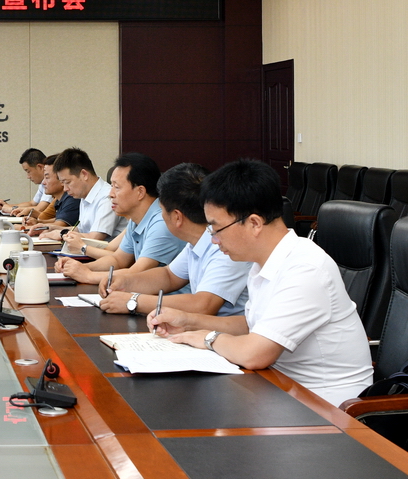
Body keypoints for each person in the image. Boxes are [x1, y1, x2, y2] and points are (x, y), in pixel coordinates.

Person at [148, 159, 373, 407]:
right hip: (277, 388)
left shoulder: (306, 268)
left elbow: (254, 353)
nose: (214, 240)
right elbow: (252, 326)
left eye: (216, 229)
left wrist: (207, 338)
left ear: (254, 223)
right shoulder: (263, 262)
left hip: (325, 407)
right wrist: (187, 322)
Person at [99, 163, 250, 316]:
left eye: (162, 210)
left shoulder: (225, 246)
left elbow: (203, 305)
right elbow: (169, 276)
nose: (160, 215)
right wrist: (125, 282)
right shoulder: (197, 241)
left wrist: (134, 301)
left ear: (177, 217)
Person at [56, 153, 185, 284]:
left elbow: (137, 273)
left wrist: (88, 275)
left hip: (170, 296)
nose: (111, 194)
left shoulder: (161, 222)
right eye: (111, 186)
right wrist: (78, 267)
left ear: (140, 192)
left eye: (116, 187)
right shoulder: (136, 220)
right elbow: (118, 260)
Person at [40, 147, 125, 242]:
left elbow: (95, 237)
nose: (65, 189)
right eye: (63, 183)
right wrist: (51, 228)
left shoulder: (107, 197)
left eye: (67, 182)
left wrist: (62, 233)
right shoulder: (85, 195)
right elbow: (82, 230)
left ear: (84, 174)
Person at [24, 154, 80, 233]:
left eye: (47, 177)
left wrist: (22, 228)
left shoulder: (72, 198)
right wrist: (38, 223)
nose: (43, 182)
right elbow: (55, 220)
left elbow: (59, 225)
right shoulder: (58, 199)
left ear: (61, 178)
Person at [0, 148, 48, 217]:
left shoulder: (51, 182)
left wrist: (12, 209)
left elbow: (39, 209)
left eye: (28, 171)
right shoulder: (43, 183)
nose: (28, 177)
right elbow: (32, 203)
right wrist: (7, 206)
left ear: (40, 167)